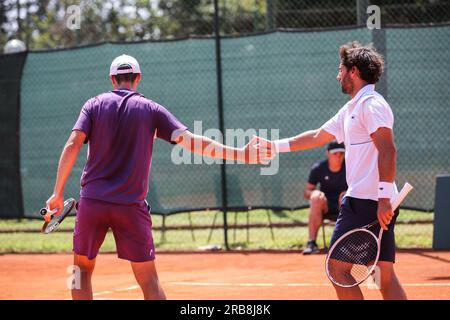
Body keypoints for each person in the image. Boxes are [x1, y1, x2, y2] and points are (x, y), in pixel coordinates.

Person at [43, 54, 273, 300]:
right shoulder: (152, 109)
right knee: (149, 279)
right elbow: (193, 143)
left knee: (81, 271)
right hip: (131, 206)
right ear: (138, 78)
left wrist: (57, 192)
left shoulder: (93, 105)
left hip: (93, 202)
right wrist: (242, 153)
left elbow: (72, 144)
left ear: (112, 79)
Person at [264, 42, 407, 300]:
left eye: (340, 69)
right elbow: (317, 136)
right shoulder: (352, 108)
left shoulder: (371, 104)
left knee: (337, 269)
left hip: (366, 200)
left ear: (353, 71)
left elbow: (388, 150)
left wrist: (384, 198)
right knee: (383, 276)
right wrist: (274, 146)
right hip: (373, 200)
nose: (337, 75)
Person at [303, 141, 347, 254]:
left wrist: (348, 193)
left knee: (347, 197)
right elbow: (307, 191)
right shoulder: (318, 168)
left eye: (341, 154)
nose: (338, 157)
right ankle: (311, 243)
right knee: (316, 199)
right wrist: (314, 193)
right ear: (328, 153)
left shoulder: (350, 167)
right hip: (325, 205)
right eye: (335, 154)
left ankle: (347, 245)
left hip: (344, 204)